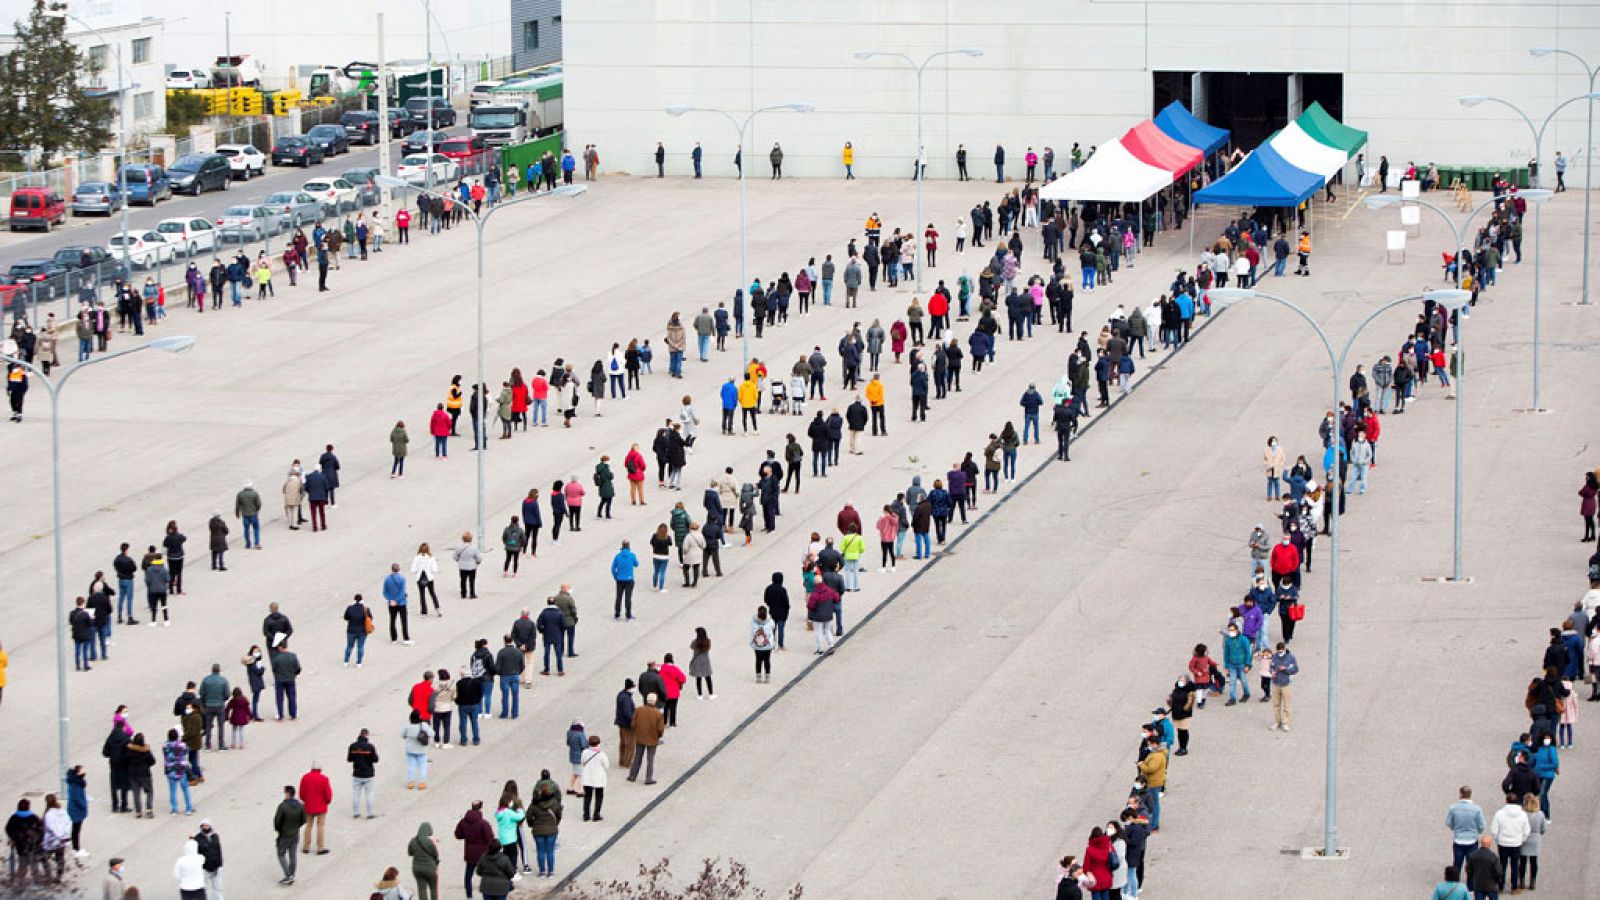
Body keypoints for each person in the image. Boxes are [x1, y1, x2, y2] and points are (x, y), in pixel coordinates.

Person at [1490, 792, 1529, 893]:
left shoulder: (1499, 814)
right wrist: (1521, 839)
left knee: (1502, 864)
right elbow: (1526, 830)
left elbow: (1494, 830)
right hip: (1516, 843)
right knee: (1515, 865)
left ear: (1506, 801)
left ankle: (1501, 886)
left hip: (1503, 843)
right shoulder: (1522, 814)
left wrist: (1498, 839)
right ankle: (1514, 887)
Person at [527, 772, 562, 879]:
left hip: (538, 830)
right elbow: (559, 815)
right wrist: (555, 823)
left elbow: (528, 815)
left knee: (540, 851)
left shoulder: (534, 804)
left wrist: (532, 824)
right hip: (551, 830)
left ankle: (542, 871)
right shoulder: (554, 803)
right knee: (550, 851)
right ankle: (551, 872)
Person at [1446, 786, 1486, 873]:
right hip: (1472, 840)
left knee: (1457, 865)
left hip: (1458, 840)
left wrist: (1454, 827)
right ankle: (1470, 881)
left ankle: (1455, 880)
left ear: (1461, 794)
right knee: (1471, 866)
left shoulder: (1453, 808)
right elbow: (1482, 825)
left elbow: (1448, 822)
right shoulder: (1477, 809)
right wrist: (1477, 832)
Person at [627, 694, 665, 784]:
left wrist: (637, 732)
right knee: (650, 759)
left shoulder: (639, 710)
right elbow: (660, 729)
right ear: (655, 701)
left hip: (640, 737)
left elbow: (633, 723)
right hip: (652, 739)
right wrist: (658, 736)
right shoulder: (657, 713)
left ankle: (632, 776)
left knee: (637, 757)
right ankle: (648, 778)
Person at [273, 785, 306, 885]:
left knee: (281, 854)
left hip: (284, 835)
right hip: (295, 834)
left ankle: (288, 876)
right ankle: (292, 874)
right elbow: (304, 819)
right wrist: (296, 826)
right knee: (292, 855)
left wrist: (280, 830)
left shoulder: (283, 806)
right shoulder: (300, 806)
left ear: (288, 794)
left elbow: (277, 822)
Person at [298, 762, 332, 856]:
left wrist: (306, 800)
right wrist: (327, 801)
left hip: (309, 805)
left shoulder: (305, 777)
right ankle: (320, 847)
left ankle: (306, 846)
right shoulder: (324, 779)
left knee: (308, 825)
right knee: (320, 826)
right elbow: (328, 794)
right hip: (321, 806)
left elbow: (301, 793)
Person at [408, 822, 441, 900]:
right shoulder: (430, 842)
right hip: (430, 869)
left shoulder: (413, 841)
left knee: (422, 889)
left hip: (417, 869)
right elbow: (435, 854)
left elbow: (410, 853)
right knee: (433, 889)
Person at [580, 735, 608, 821]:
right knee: (599, 797)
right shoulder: (601, 754)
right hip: (598, 779)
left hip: (587, 778)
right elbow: (606, 765)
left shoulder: (585, 752)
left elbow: (582, 762)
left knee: (587, 797)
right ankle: (596, 815)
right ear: (598, 743)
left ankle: (586, 815)